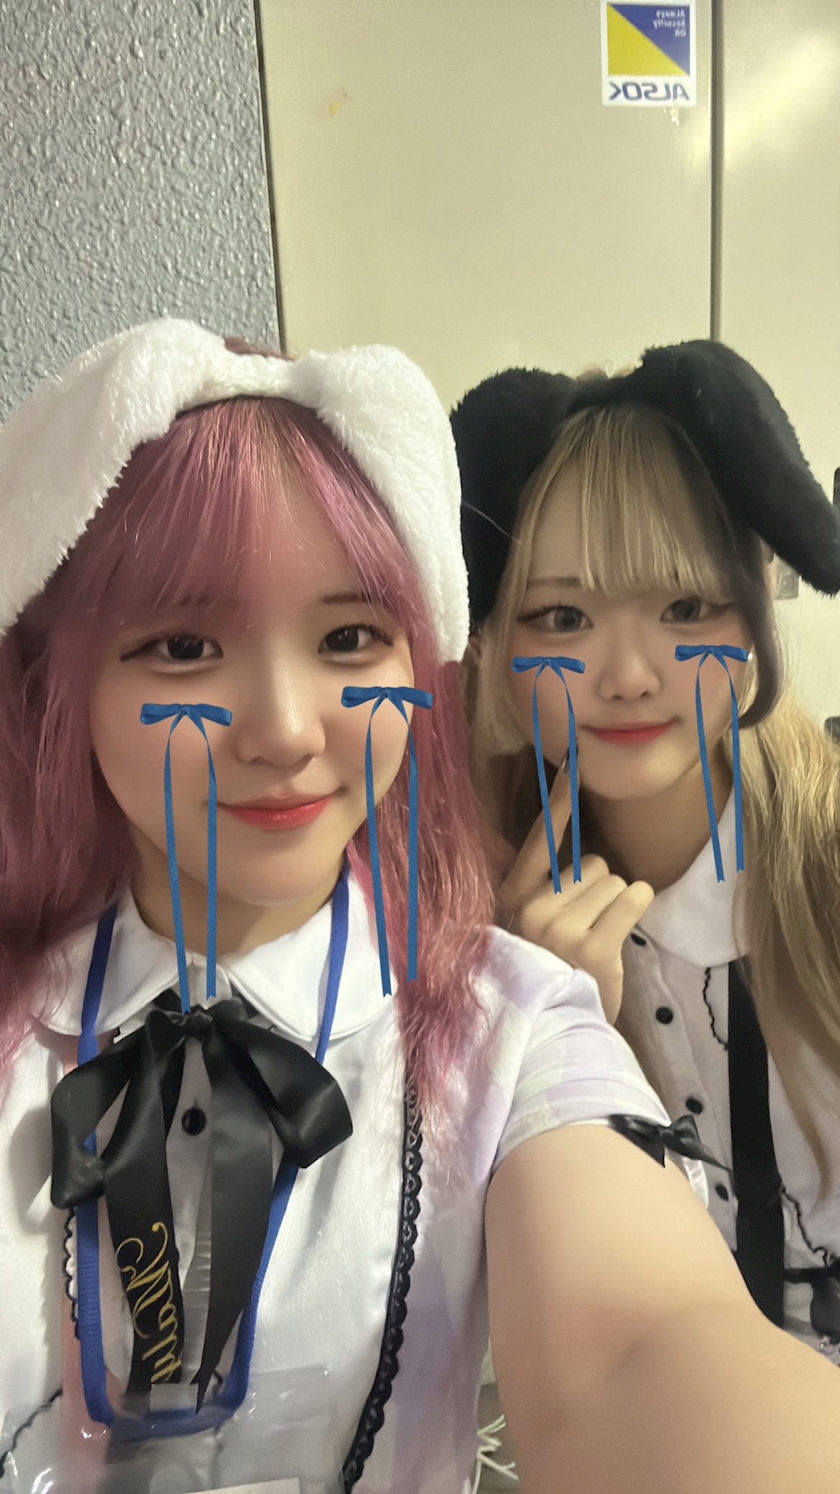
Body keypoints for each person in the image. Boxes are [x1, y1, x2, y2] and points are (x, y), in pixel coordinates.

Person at [1, 324, 840, 1494]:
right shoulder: (485, 887)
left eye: (350, 637)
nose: (284, 729)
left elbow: (632, 1351)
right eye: (183, 645)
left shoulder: (505, 1007)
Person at [452, 341, 840, 1366]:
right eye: (562, 617)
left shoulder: (826, 861)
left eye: (685, 607)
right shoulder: (470, 912)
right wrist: (554, 1035)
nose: (627, 674)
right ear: (491, 640)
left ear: (754, 615)